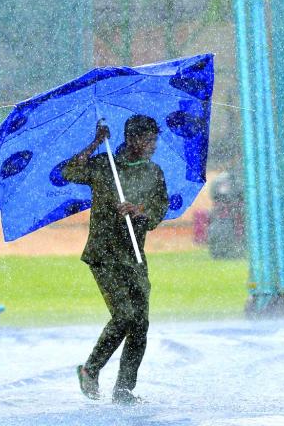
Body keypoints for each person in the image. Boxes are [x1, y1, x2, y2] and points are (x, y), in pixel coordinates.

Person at [62, 114, 169, 405]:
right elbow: (68, 171)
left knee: (140, 323)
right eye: (148, 139)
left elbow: (160, 208)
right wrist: (95, 143)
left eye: (154, 139)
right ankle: (90, 369)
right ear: (132, 139)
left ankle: (124, 390)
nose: (152, 145)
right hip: (104, 254)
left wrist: (141, 211)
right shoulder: (102, 165)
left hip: (134, 256)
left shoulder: (154, 172)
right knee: (124, 315)